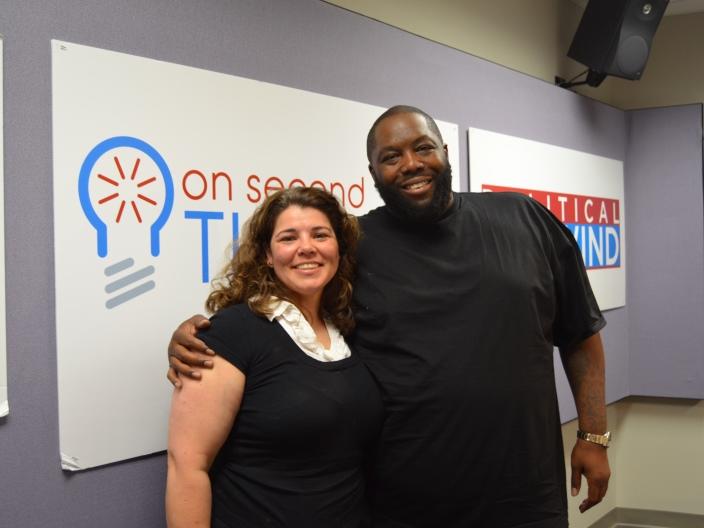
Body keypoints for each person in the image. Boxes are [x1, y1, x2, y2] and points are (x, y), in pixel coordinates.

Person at [168, 106, 611, 527]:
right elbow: (291, 300)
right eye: (391, 157)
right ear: (374, 173)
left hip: (525, 495)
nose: (411, 164)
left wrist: (593, 435)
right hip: (404, 505)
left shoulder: (525, 219)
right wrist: (200, 332)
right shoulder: (354, 247)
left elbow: (580, 333)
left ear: (444, 152)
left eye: (423, 147)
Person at [165, 187, 383, 527]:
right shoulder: (232, 332)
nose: (306, 247)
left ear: (338, 248)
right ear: (267, 254)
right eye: (288, 238)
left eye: (320, 234)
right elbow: (187, 466)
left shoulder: (346, 328)